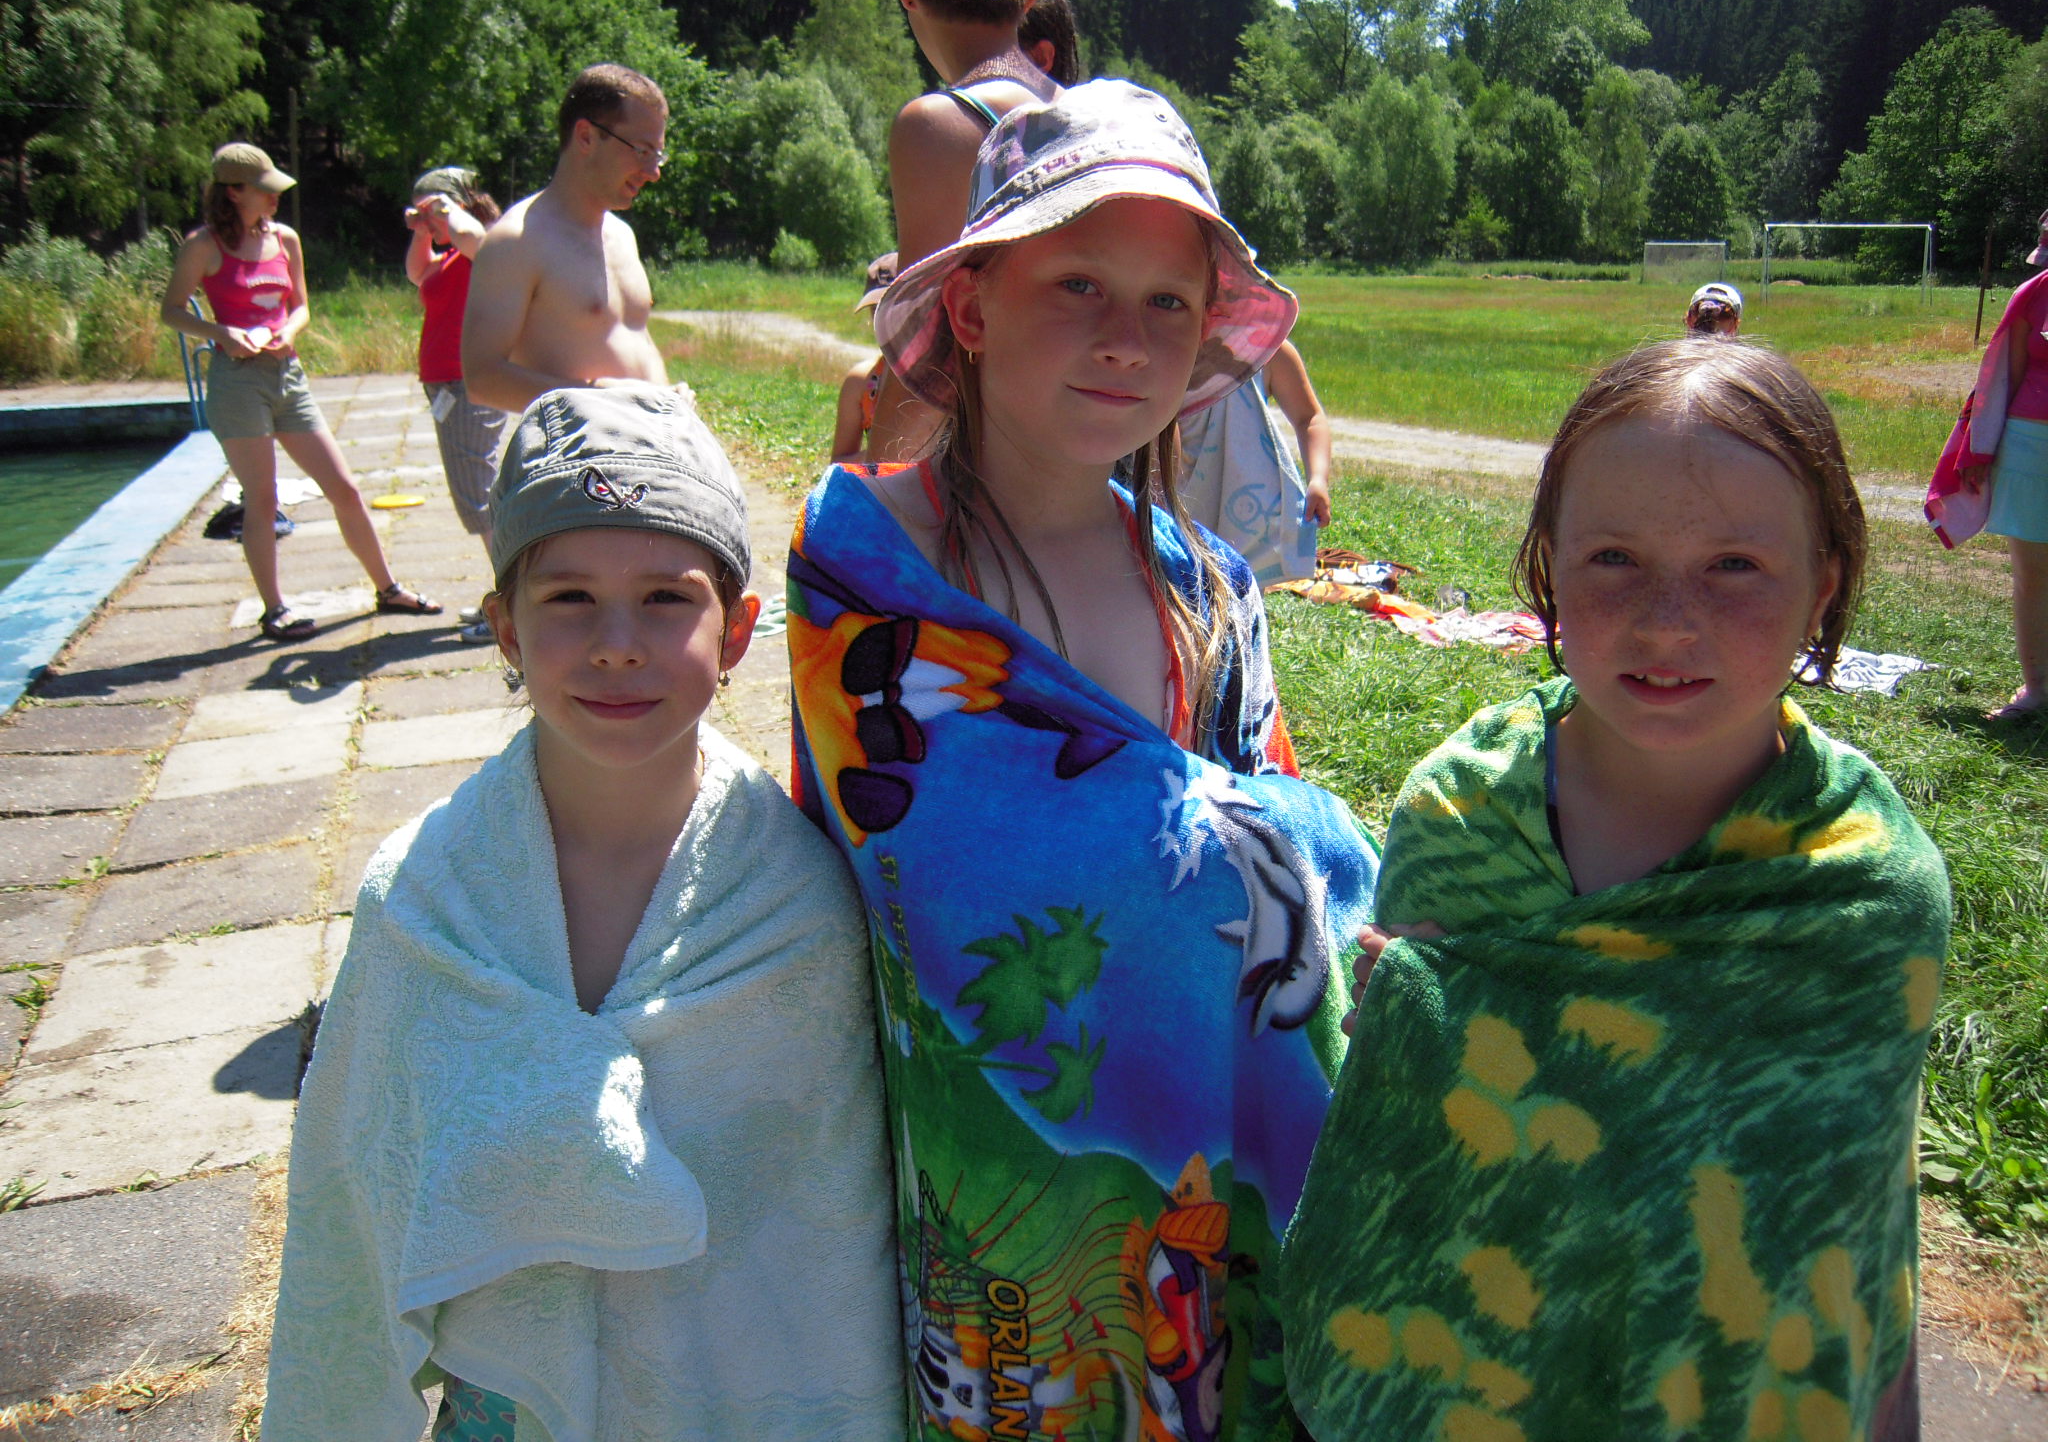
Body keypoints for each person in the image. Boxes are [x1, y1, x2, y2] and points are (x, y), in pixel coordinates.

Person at [788, 81, 1379, 1441]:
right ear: (972, 304)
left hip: (1206, 1206)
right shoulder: (866, 577)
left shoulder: (1208, 589)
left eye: (1169, 302)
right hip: (1002, 1238)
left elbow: (1286, 871)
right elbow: (950, 861)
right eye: (1078, 285)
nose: (1126, 339)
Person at [1280, 340, 1951, 1442]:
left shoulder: (1864, 895)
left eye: (1734, 565)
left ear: (1822, 584)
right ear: (1549, 563)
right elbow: (1402, 1158)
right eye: (1612, 559)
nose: (1667, 620)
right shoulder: (1460, 815)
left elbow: (1856, 1227)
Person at [264, 386, 904, 1441]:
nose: (616, 643)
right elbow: (352, 1206)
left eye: (665, 599)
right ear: (503, 628)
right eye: (568, 598)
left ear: (739, 632)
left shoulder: (799, 909)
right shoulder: (421, 898)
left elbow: (828, 1233)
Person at [162, 143, 442, 640]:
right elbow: (173, 310)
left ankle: (388, 588)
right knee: (262, 499)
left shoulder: (285, 238)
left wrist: (288, 332)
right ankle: (274, 610)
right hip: (237, 381)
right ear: (234, 192)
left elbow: (301, 306)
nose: (275, 199)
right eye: (264, 191)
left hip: (288, 376)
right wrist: (223, 334)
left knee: (345, 488)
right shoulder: (203, 245)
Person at [842, 0, 1082, 462]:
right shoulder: (1082, 115)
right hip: (1091, 452)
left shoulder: (939, 125)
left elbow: (930, 338)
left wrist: (881, 486)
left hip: (999, 457)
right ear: (1025, 1)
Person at [462, 65, 674, 416]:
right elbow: (482, 380)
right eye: (642, 151)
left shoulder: (622, 235)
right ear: (586, 136)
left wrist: (670, 401)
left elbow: (639, 341)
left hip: (650, 441)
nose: (654, 172)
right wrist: (602, 400)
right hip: (578, 449)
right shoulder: (515, 242)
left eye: (659, 154)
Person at [1926, 221, 2048, 720]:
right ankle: (2038, 687)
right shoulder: (2033, 295)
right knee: (2034, 575)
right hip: (2031, 447)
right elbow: (2002, 378)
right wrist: (1979, 450)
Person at [405, 166, 506, 643]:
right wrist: (423, 231)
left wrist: (446, 212)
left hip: (469, 384)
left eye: (434, 211)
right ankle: (507, 600)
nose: (431, 221)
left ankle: (511, 609)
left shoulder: (481, 246)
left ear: (458, 206)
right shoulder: (448, 256)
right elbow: (416, 273)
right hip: (447, 386)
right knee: (477, 495)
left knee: (479, 499)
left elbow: (477, 240)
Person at [1175, 337, 1334, 587]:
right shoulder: (1164, 349)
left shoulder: (1270, 352)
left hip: (1245, 519)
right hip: (1174, 504)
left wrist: (1318, 479)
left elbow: (1309, 418)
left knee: (1240, 592)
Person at [830, 255, 896, 463]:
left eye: (892, 306)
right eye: (875, 309)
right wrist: (882, 455)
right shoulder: (862, 382)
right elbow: (839, 464)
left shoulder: (945, 377)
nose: (882, 319)